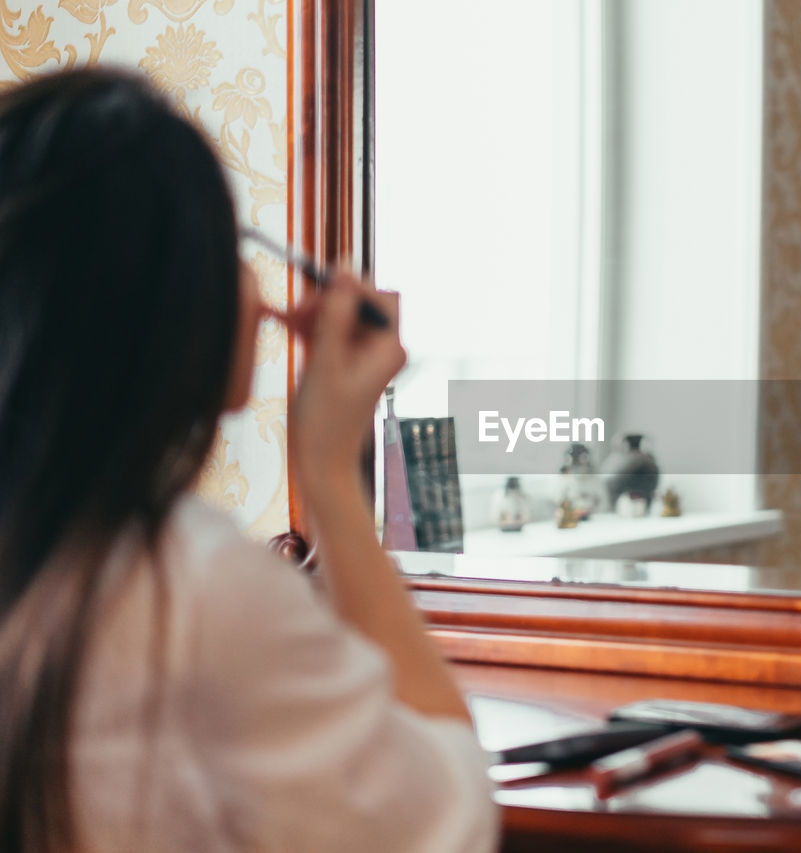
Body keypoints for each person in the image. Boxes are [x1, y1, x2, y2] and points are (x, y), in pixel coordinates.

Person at [0, 68, 496, 851]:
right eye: (232, 244)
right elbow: (448, 815)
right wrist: (330, 469)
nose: (260, 295)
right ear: (161, 292)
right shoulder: (190, 590)